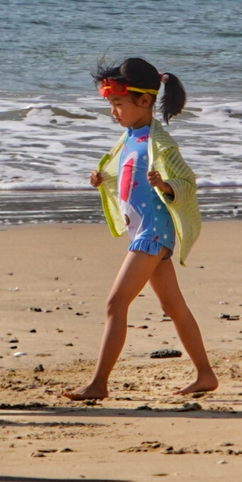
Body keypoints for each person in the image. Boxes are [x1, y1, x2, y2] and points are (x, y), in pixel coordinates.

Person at [64, 58, 216, 401]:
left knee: (115, 303)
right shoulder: (131, 137)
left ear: (144, 102)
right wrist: (103, 180)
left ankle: (99, 383)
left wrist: (166, 185)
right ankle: (206, 375)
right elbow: (129, 177)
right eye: (111, 105)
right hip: (143, 232)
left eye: (118, 104)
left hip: (153, 232)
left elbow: (187, 182)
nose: (113, 112)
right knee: (174, 307)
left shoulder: (159, 142)